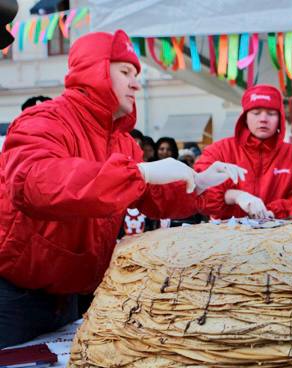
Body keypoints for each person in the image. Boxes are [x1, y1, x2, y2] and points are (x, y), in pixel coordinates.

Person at [0, 30, 244, 348]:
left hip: (75, 295)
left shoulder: (124, 143)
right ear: (95, 71)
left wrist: (197, 183)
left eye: (136, 74)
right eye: (125, 71)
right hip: (15, 294)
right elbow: (33, 183)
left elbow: (152, 196)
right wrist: (139, 171)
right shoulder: (44, 120)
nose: (135, 83)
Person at [195, 84, 292, 220]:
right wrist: (235, 196)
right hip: (227, 236)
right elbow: (200, 195)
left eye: (271, 113)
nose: (263, 119)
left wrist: (274, 211)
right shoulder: (219, 151)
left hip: (278, 235)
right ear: (245, 117)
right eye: (256, 112)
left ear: (280, 118)